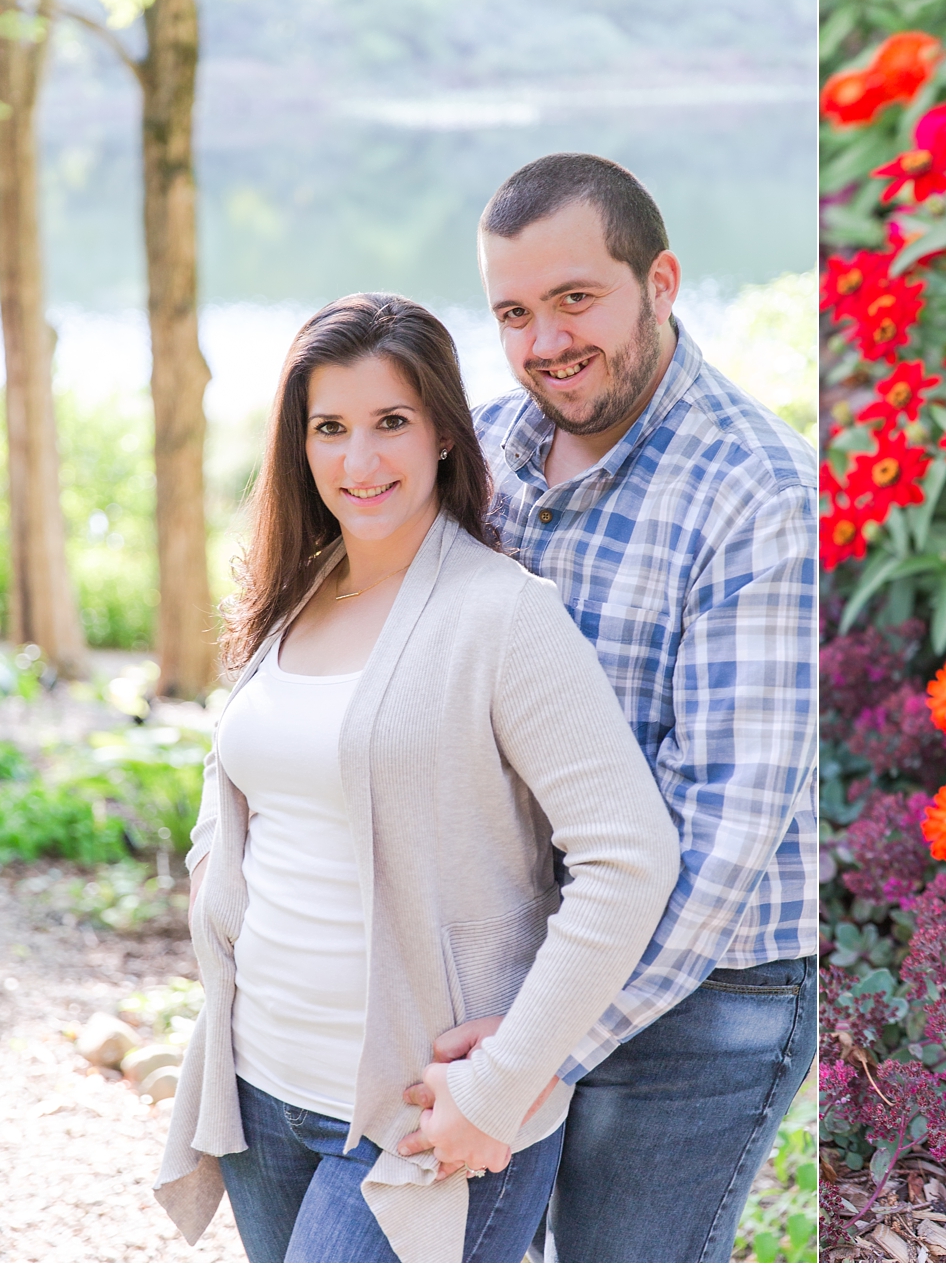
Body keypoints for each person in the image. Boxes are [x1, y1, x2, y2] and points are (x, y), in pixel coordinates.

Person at [153, 293, 680, 1264]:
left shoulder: (502, 617)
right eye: (331, 428)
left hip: (420, 1112)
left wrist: (510, 1074)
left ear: (443, 428)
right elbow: (242, 808)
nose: (361, 461)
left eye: (390, 422)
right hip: (264, 1086)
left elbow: (630, 855)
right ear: (297, 446)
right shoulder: (294, 596)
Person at [440, 154, 819, 1262]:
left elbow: (727, 831)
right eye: (512, 311)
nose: (544, 340)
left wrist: (536, 1051)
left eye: (574, 298)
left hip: (709, 989)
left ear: (659, 280)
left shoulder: (761, 495)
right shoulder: (483, 454)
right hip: (522, 950)